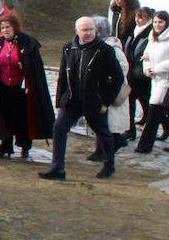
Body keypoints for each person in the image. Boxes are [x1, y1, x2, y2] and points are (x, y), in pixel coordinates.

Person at [40, 17, 124, 180]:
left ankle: (109, 165)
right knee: (59, 127)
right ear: (77, 31)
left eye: (91, 29)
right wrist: (59, 101)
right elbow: (63, 76)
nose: (89, 33)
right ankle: (57, 169)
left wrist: (105, 101)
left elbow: (117, 78)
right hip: (72, 100)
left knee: (103, 133)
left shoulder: (105, 50)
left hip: (94, 102)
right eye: (85, 30)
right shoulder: (68, 48)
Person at [0, 12, 53, 158]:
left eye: (8, 27)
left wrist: (28, 81)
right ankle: (5, 145)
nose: (5, 30)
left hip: (22, 89)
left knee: (23, 118)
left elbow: (33, 68)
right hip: (4, 87)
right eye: (2, 28)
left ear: (15, 27)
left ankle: (25, 145)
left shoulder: (26, 42)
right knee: (5, 116)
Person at [135, 10, 169, 155]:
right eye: (155, 22)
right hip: (158, 82)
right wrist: (147, 69)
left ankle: (144, 147)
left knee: (153, 115)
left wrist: (157, 68)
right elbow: (147, 55)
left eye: (160, 22)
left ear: (166, 22)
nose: (157, 25)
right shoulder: (153, 37)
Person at [87, 18, 132, 158]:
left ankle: (105, 150)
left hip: (110, 93)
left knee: (109, 125)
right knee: (102, 124)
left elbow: (123, 68)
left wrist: (106, 79)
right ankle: (102, 150)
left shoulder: (112, 49)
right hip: (99, 91)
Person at [123, 7, 156, 141]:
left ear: (148, 19)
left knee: (146, 102)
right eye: (136, 17)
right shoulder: (135, 30)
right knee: (132, 101)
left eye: (141, 17)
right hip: (132, 74)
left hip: (142, 75)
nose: (137, 20)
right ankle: (130, 129)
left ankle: (166, 125)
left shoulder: (150, 33)